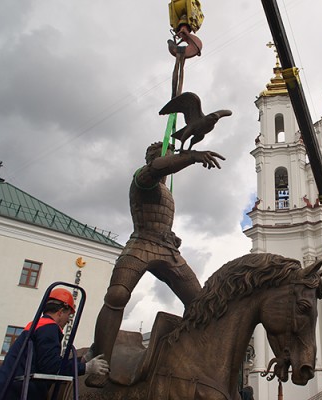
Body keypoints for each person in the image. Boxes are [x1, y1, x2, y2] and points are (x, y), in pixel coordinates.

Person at [86, 142, 225, 387]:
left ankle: (191, 358)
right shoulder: (142, 178)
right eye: (164, 157)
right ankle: (100, 362)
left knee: (201, 304)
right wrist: (191, 156)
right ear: (152, 159)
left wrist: (171, 236)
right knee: (117, 295)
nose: (168, 162)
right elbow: (159, 167)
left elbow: (161, 220)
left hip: (167, 250)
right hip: (141, 243)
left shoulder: (167, 193)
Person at [0, 288, 109, 400]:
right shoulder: (49, 329)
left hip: (5, 391)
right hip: (17, 394)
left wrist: (82, 360)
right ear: (60, 312)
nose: (68, 321)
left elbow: (47, 362)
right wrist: (87, 368)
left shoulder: (36, 326)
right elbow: (51, 368)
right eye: (68, 316)